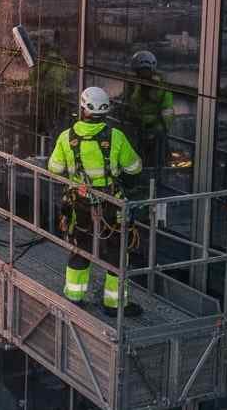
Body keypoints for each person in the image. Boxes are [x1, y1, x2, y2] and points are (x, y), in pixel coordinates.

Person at [48, 86, 143, 316]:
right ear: (105, 110)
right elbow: (135, 168)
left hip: (79, 203)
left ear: (83, 108)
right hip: (112, 204)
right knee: (117, 253)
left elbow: (54, 168)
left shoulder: (66, 137)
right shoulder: (115, 137)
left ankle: (74, 297)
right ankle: (115, 304)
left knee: (80, 249)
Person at [120, 50, 174, 179]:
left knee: (151, 162)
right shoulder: (134, 85)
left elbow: (167, 110)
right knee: (149, 162)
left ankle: (149, 182)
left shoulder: (138, 85)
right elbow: (128, 103)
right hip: (141, 130)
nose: (144, 74)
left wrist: (158, 127)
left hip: (151, 132)